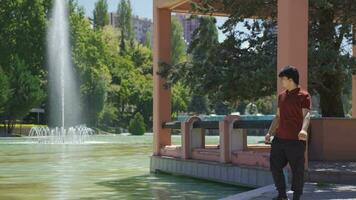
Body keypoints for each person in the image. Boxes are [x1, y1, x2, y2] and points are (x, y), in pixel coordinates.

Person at [265, 66, 311, 200]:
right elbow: (278, 117)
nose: (281, 82)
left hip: (296, 140)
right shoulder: (281, 96)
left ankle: (297, 196)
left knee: (297, 170)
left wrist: (303, 130)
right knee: (275, 166)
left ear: (290, 80)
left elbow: (307, 115)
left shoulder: (304, 96)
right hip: (279, 139)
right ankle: (282, 195)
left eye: (283, 79)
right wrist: (269, 133)